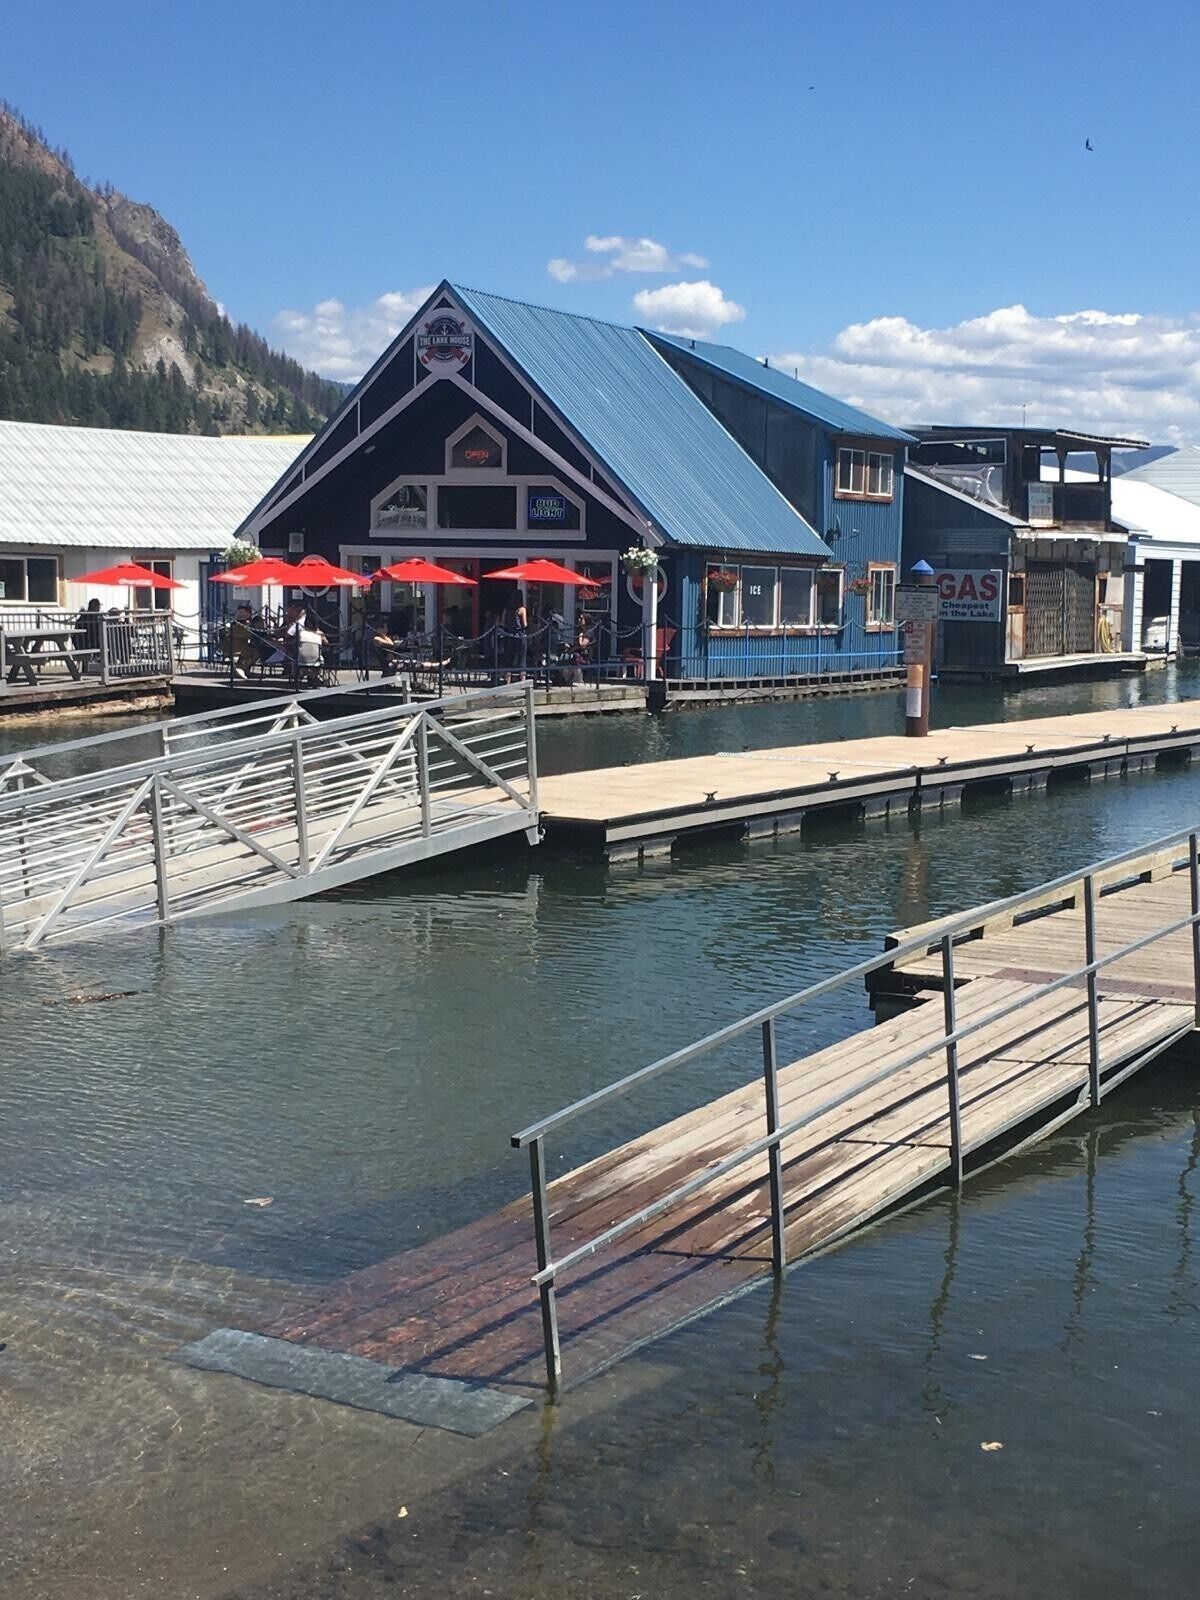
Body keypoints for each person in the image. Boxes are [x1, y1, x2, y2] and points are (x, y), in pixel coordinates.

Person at [228, 603, 257, 679]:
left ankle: (242, 669)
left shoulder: (232, 625)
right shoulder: (245, 627)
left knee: (249, 652)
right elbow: (250, 637)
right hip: (240, 649)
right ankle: (242, 668)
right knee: (255, 653)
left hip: (231, 648)